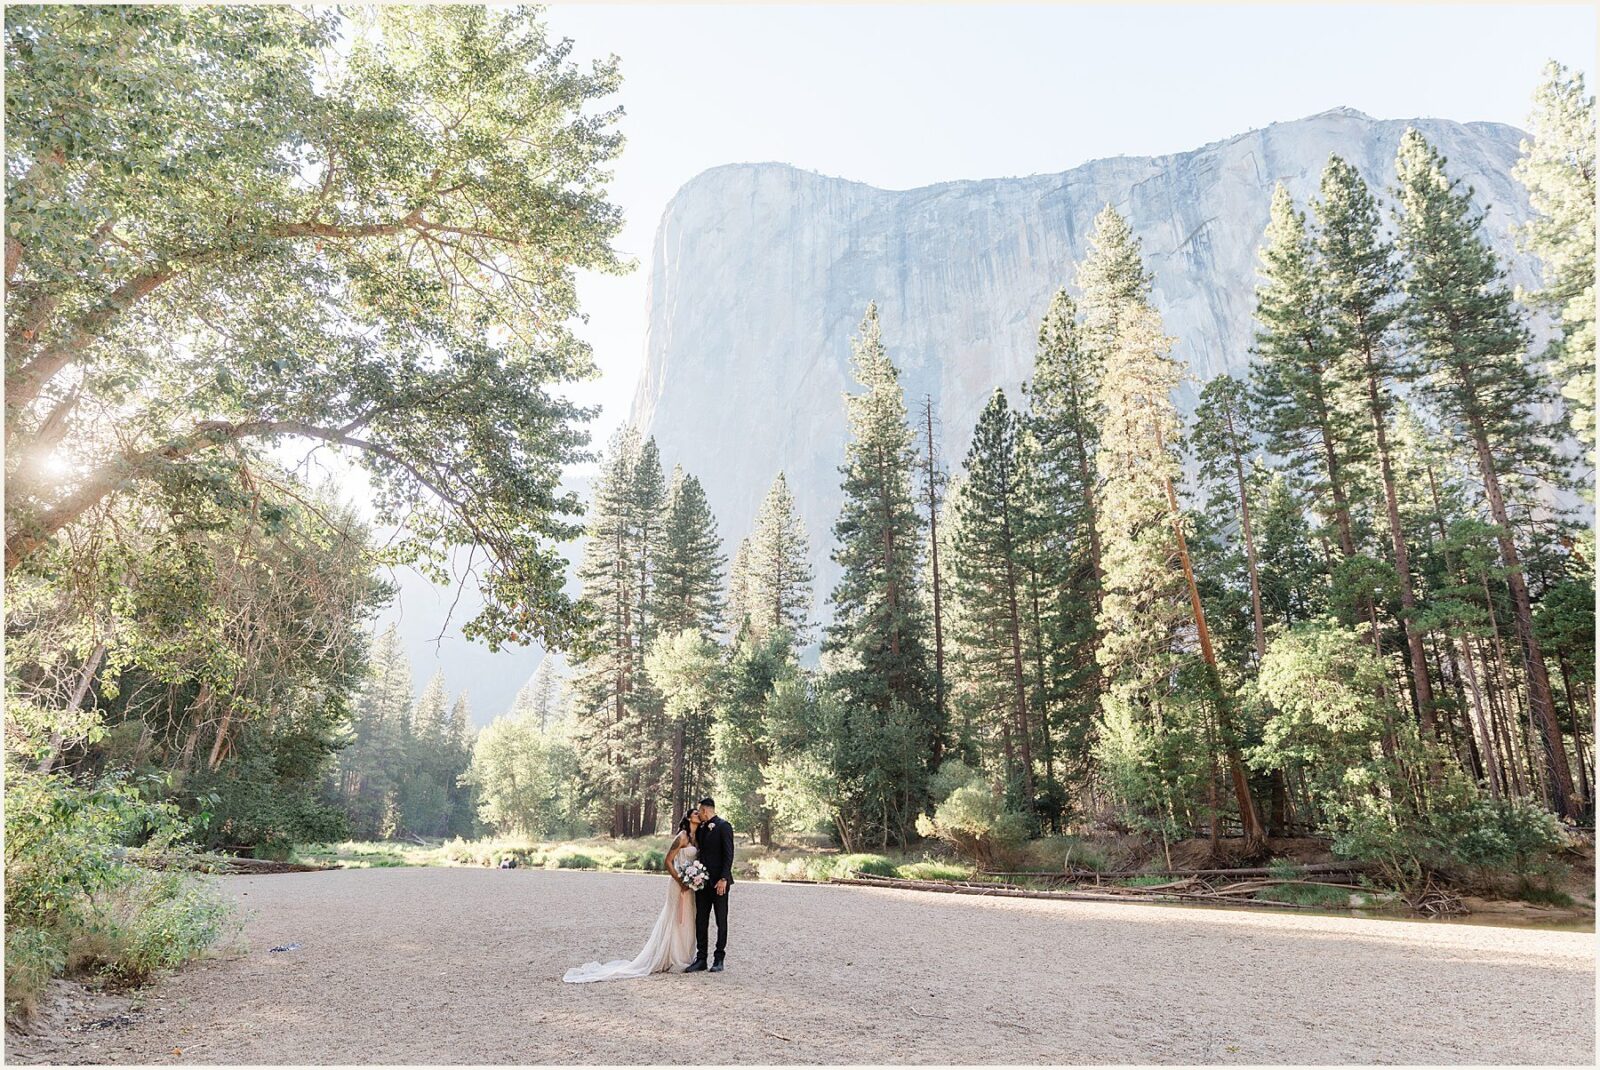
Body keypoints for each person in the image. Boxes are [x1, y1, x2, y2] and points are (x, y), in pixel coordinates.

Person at [561, 808, 699, 982]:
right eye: (695, 814)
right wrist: (680, 880)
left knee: (687, 919)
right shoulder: (682, 836)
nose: (698, 816)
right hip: (678, 884)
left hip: (690, 885)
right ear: (688, 818)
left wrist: (694, 878)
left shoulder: (696, 837)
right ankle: (671, 957)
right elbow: (667, 861)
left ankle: (684, 956)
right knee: (673, 918)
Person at [684, 796, 733, 973]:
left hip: (719, 883)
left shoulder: (724, 826)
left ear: (705, 810)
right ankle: (701, 958)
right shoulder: (702, 828)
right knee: (701, 920)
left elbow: (729, 855)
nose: (700, 814)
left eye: (700, 811)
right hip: (702, 882)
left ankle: (719, 959)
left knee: (721, 920)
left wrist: (724, 879)